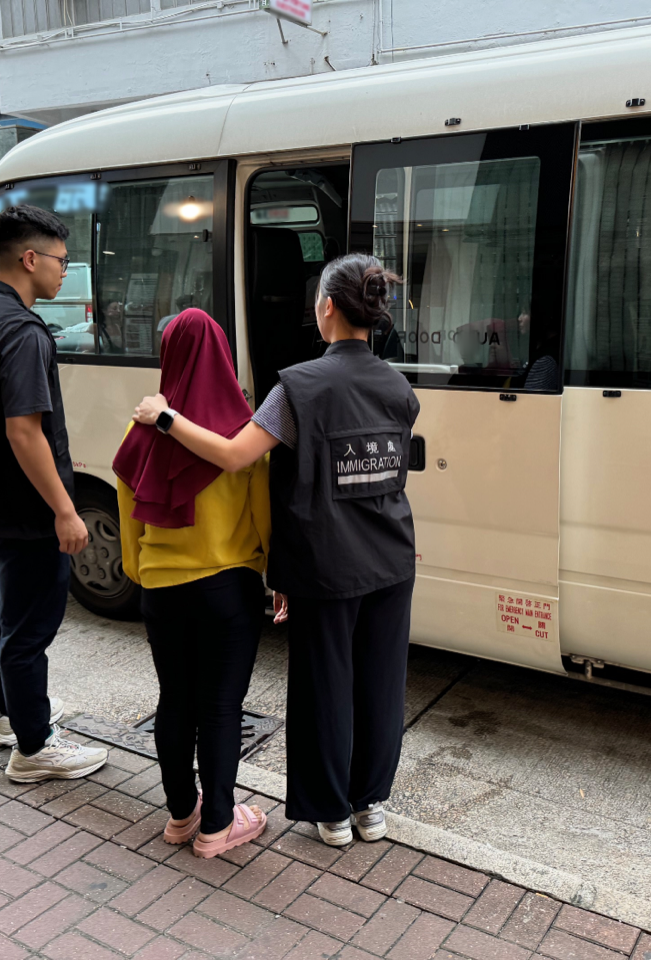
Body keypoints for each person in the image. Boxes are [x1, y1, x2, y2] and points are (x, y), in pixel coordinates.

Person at [133, 253, 419, 847]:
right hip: (392, 558)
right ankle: (371, 808)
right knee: (381, 683)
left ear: (327, 308)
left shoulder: (299, 386)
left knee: (326, 685)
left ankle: (332, 815)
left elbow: (237, 455)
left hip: (328, 564)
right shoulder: (399, 385)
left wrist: (165, 419)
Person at [0, 204, 108, 783]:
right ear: (30, 258)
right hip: (24, 511)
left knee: (2, 611)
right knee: (29, 629)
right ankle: (35, 748)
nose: (66, 270)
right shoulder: (20, 330)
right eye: (62, 260)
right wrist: (65, 510)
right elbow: (23, 429)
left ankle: (11, 717)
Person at [113, 308, 271, 859]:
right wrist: (272, 577)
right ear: (222, 356)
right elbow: (263, 521)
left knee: (174, 702)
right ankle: (218, 827)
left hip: (161, 590)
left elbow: (130, 529)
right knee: (222, 708)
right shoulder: (242, 433)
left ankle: (182, 817)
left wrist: (148, 575)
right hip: (228, 590)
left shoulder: (142, 431)